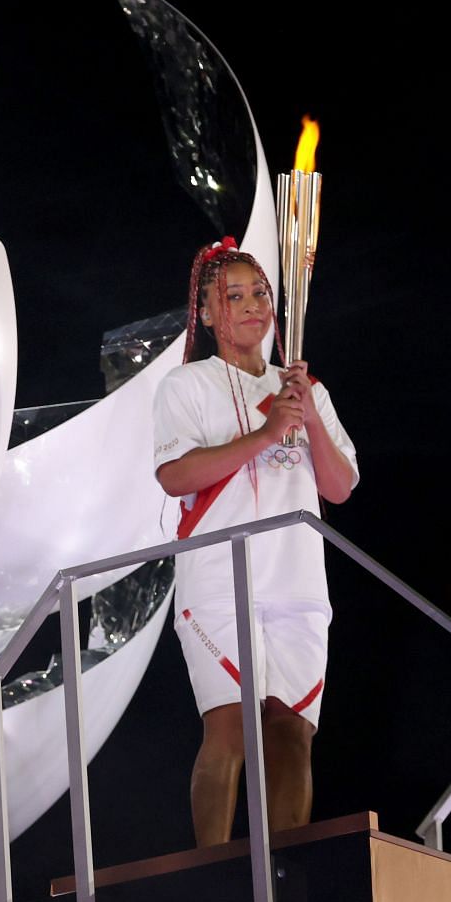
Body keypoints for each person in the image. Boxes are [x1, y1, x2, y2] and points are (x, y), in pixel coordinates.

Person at [152, 235, 359, 847]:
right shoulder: (187, 387)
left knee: (292, 732)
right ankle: (212, 870)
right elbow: (176, 476)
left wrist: (307, 415)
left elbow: (341, 486)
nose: (250, 305)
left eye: (260, 293)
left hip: (296, 580)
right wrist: (270, 431)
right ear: (208, 314)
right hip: (220, 576)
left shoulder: (306, 390)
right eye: (233, 295)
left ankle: (288, 867)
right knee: (230, 726)